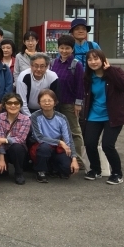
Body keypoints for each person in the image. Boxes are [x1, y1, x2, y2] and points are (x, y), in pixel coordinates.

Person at [82, 49, 124, 185]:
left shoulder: (116, 71)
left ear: (103, 59)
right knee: (90, 143)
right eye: (90, 60)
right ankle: (95, 170)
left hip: (113, 116)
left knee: (107, 145)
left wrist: (110, 71)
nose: (93, 62)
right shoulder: (88, 77)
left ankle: (117, 173)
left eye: (96, 58)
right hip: (94, 114)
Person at [50, 35, 85, 169]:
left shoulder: (76, 65)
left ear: (72, 49)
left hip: (70, 103)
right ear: (58, 48)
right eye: (62, 48)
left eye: (67, 48)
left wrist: (78, 103)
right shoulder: (53, 63)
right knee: (58, 131)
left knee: (74, 131)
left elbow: (80, 86)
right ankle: (62, 158)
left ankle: (79, 160)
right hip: (55, 103)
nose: (64, 51)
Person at [30, 89, 79, 183]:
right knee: (44, 147)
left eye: (50, 100)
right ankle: (41, 170)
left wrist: (74, 158)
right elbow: (39, 138)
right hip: (41, 146)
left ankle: (52, 166)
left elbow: (69, 139)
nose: (47, 103)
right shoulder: (35, 116)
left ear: (55, 102)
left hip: (57, 148)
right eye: (43, 101)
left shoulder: (62, 117)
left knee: (67, 170)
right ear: (39, 103)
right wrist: (59, 142)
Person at [0, 93, 31, 185]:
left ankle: (19, 173)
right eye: (9, 103)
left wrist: (5, 140)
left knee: (16, 147)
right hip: (2, 149)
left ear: (20, 105)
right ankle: (4, 165)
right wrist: (1, 159)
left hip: (18, 150)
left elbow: (21, 139)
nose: (13, 105)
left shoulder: (26, 119)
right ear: (5, 105)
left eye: (16, 103)